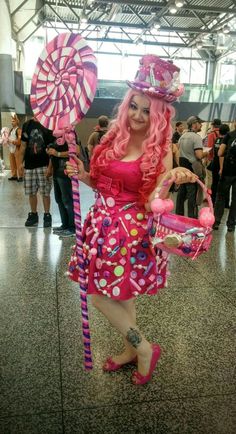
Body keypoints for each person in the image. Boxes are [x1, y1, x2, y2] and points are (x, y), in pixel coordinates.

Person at [66, 54, 197, 386]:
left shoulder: (161, 148)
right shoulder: (113, 137)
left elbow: (156, 202)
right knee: (122, 296)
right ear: (126, 106)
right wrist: (82, 174)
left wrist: (171, 178)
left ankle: (144, 349)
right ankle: (131, 349)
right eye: (134, 107)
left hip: (129, 232)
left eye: (146, 110)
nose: (138, 115)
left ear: (159, 115)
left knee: (97, 294)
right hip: (100, 225)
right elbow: (102, 182)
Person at [46, 132, 81, 238]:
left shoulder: (70, 133)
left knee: (67, 200)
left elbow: (77, 151)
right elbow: (53, 153)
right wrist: (50, 167)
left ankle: (72, 227)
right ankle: (65, 225)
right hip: (57, 172)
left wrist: (58, 154)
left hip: (66, 172)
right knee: (59, 200)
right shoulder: (56, 134)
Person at [20, 116, 53, 227]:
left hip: (43, 164)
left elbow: (51, 148)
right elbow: (23, 146)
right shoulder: (27, 125)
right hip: (29, 166)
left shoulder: (48, 124)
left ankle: (47, 215)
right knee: (31, 192)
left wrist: (50, 167)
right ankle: (33, 214)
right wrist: (20, 163)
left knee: (45, 192)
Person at [175, 115, 207, 218]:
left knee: (181, 193)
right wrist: (206, 153)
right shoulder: (196, 137)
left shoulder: (182, 136)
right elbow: (199, 155)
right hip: (192, 169)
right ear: (194, 124)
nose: (201, 125)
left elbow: (178, 151)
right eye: (200, 123)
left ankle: (178, 216)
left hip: (183, 168)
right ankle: (192, 218)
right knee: (192, 195)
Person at [213, 120, 236, 232]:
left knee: (221, 196)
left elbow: (219, 153)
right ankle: (231, 225)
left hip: (228, 171)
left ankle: (216, 222)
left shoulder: (229, 135)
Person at [211, 123, 230, 205]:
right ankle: (224, 203)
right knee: (223, 185)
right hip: (221, 165)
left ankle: (212, 200)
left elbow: (214, 151)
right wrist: (221, 168)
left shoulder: (217, 139)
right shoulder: (225, 141)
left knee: (214, 183)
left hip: (214, 164)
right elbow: (221, 156)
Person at [8, 114, 23, 182]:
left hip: (17, 149)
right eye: (11, 121)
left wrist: (12, 141)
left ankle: (21, 176)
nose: (12, 122)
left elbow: (19, 141)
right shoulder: (11, 130)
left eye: (13, 121)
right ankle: (14, 175)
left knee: (19, 163)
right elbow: (8, 138)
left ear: (17, 122)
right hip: (11, 149)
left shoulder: (19, 130)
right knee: (12, 163)